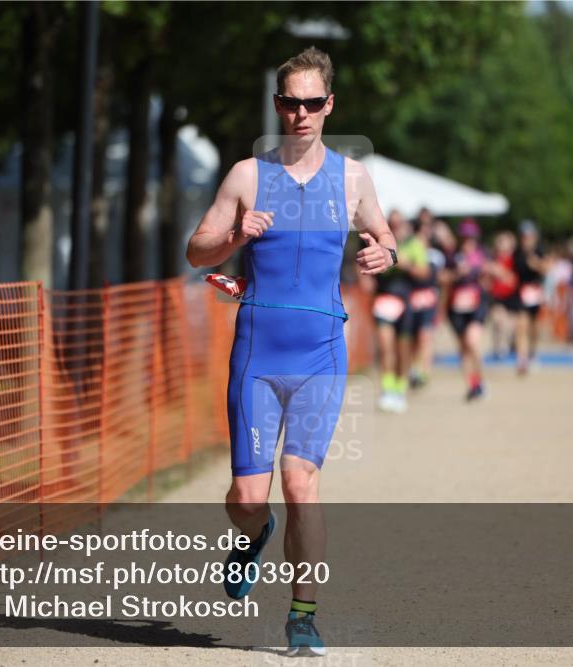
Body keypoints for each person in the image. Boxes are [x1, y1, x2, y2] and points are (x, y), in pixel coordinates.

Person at [185, 46, 395, 657]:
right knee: (249, 498)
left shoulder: (353, 177)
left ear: (329, 105)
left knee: (301, 483)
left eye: (311, 103)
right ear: (278, 104)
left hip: (321, 352)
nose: (299, 113)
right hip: (257, 350)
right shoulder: (248, 176)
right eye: (289, 102)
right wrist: (232, 235)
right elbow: (197, 252)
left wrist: (387, 252)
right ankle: (254, 536)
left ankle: (303, 615)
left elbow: (385, 235)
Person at [368, 210, 425, 412]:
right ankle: (387, 389)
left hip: (406, 302)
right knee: (385, 347)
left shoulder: (414, 244)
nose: (395, 227)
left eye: (399, 224)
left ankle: (400, 388)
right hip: (384, 300)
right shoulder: (377, 245)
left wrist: (403, 263)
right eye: (391, 224)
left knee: (403, 349)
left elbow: (424, 272)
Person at [444, 218, 490, 401]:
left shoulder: (482, 254)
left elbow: (492, 274)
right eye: (464, 237)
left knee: (472, 342)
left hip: (476, 304)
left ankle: (480, 380)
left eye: (471, 237)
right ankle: (472, 385)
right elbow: (441, 277)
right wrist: (456, 274)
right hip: (456, 307)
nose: (467, 241)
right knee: (463, 349)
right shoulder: (452, 256)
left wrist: (485, 272)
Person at [407, 210, 443, 388]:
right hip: (413, 296)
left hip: (429, 297)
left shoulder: (437, 252)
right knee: (415, 336)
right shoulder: (411, 246)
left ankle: (424, 371)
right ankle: (414, 369)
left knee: (425, 335)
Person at [513, 220, 547, 375]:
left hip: (536, 292)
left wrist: (536, 264)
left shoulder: (540, 251)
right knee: (521, 325)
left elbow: (546, 269)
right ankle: (522, 358)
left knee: (534, 327)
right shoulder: (517, 252)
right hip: (521, 292)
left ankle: (532, 352)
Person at [487, 231, 519, 359]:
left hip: (511, 296)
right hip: (497, 296)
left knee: (511, 325)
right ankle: (498, 347)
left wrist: (500, 272)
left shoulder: (514, 260)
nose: (501, 244)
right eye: (499, 241)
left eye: (504, 241)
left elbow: (513, 279)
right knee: (497, 321)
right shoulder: (492, 258)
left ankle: (510, 345)